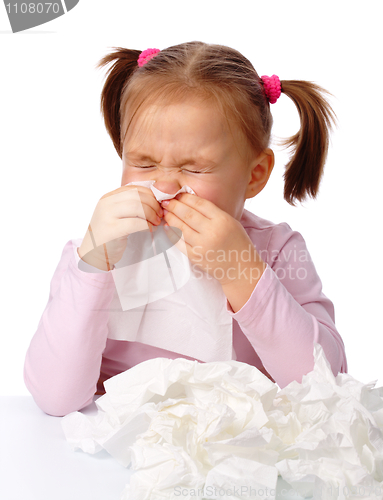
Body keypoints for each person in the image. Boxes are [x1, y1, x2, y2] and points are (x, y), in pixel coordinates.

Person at [24, 42, 347, 417]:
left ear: (254, 175)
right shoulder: (97, 249)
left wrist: (242, 271)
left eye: (194, 168)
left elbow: (327, 388)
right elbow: (54, 398)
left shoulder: (277, 251)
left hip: (236, 448)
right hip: (120, 450)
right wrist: (94, 265)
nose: (165, 185)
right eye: (143, 163)